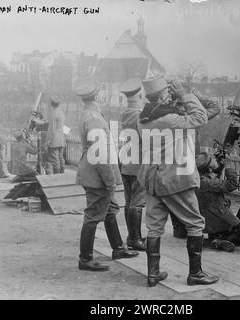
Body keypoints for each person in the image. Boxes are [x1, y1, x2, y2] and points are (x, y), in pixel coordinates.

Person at [138, 76, 219, 287]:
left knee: (154, 228)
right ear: (164, 95)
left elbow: (168, 114)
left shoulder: (144, 118)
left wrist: (174, 103)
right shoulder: (170, 119)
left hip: (152, 179)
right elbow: (200, 117)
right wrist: (184, 95)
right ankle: (196, 274)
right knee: (195, 224)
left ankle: (153, 274)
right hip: (174, 179)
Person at [75, 76, 138, 272]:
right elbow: (100, 155)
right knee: (93, 216)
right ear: (96, 95)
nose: (104, 94)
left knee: (110, 210)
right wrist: (110, 180)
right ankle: (85, 259)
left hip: (94, 173)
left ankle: (118, 248)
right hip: (97, 176)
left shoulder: (89, 113)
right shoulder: (93, 118)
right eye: (102, 91)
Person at [170, 87, 221, 239]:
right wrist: (199, 97)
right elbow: (216, 108)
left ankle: (178, 228)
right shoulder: (194, 116)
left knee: (175, 193)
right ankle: (189, 226)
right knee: (190, 193)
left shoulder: (168, 116)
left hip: (173, 160)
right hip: (190, 160)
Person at [195, 152, 240, 252]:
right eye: (212, 160)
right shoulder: (207, 182)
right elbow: (231, 184)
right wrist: (229, 166)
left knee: (227, 230)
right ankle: (219, 241)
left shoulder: (199, 179)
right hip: (219, 217)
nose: (214, 161)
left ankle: (216, 237)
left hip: (209, 220)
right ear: (209, 169)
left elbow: (214, 174)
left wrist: (221, 164)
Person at [119, 77, 147, 251]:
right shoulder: (140, 115)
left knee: (129, 201)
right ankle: (135, 239)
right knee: (137, 202)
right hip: (139, 165)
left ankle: (131, 236)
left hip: (126, 163)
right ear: (140, 95)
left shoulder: (124, 114)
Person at [44, 96, 66, 174]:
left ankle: (57, 178)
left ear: (51, 104)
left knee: (55, 159)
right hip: (62, 139)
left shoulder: (53, 114)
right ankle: (62, 176)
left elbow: (51, 130)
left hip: (55, 140)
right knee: (61, 158)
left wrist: (47, 143)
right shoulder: (61, 112)